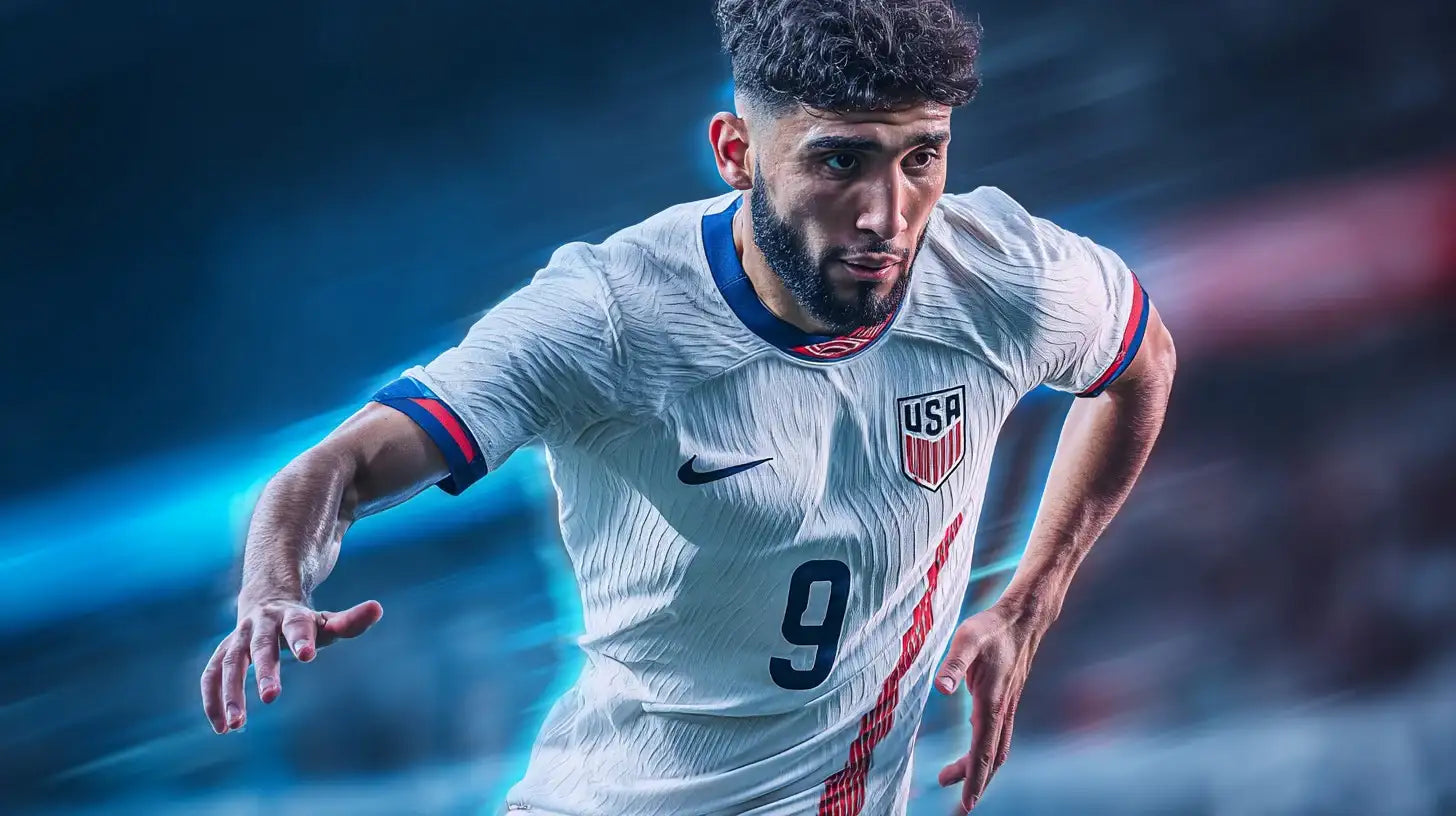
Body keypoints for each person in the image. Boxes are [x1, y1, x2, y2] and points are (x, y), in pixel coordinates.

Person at [198, 0, 1176, 812]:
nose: (888, 214)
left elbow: (1140, 361)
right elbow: (344, 465)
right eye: (839, 162)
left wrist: (1031, 599)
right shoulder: (608, 315)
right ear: (736, 151)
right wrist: (274, 586)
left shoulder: (1002, 278)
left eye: (920, 157)